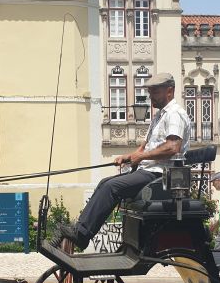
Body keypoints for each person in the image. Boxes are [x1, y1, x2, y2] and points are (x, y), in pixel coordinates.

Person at [56, 72, 190, 249]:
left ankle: (82, 234)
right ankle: (80, 229)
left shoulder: (174, 114)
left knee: (112, 187)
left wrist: (139, 157)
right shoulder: (159, 116)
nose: (151, 97)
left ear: (169, 91)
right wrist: (130, 156)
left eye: (155, 92)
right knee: (105, 182)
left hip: (160, 176)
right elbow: (145, 147)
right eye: (150, 92)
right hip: (148, 171)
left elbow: (173, 147)